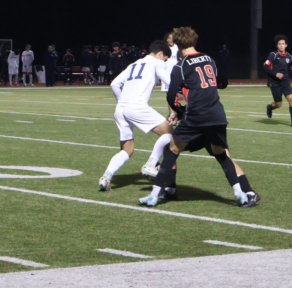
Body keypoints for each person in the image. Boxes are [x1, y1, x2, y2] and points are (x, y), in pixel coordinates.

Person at [139, 27, 256, 208]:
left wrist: (177, 112)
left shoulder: (181, 65)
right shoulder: (209, 59)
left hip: (197, 117)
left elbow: (171, 96)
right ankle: (240, 194)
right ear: (194, 41)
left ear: (177, 44)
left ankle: (155, 195)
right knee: (222, 155)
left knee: (171, 150)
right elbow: (220, 81)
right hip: (217, 114)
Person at [98, 40, 173, 191]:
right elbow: (169, 83)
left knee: (127, 149)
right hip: (136, 106)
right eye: (164, 58)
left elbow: (114, 84)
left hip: (121, 108)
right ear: (160, 54)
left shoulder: (134, 64)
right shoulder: (157, 63)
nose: (164, 61)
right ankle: (152, 163)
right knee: (170, 133)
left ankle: (106, 176)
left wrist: (122, 101)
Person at [263, 34, 292, 127]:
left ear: (286, 45)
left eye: (283, 44)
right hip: (275, 82)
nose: (281, 45)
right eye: (279, 44)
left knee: (291, 100)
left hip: (285, 82)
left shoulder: (289, 56)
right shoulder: (273, 55)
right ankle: (270, 107)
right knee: (278, 104)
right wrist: (275, 74)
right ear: (277, 46)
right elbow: (265, 66)